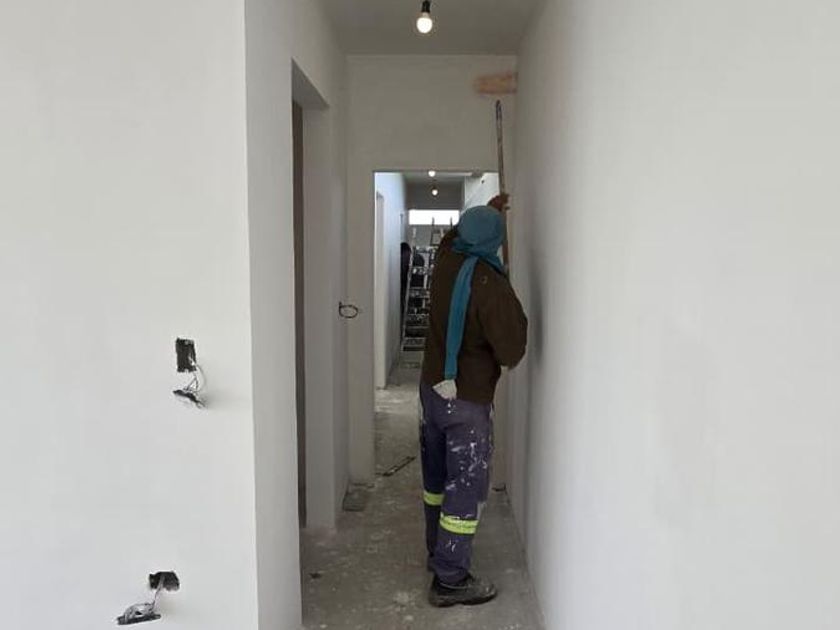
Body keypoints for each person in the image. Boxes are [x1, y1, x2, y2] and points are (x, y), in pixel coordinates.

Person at [420, 194, 528, 607]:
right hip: (466, 400)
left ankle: (437, 551)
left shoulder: (447, 258)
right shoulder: (489, 284)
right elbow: (512, 350)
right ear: (494, 242)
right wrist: (509, 300)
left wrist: (489, 210)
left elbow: (455, 235)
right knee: (464, 487)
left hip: (431, 392)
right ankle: (450, 579)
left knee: (436, 480)